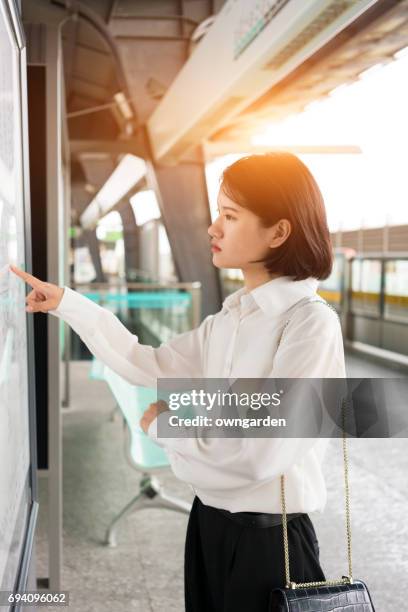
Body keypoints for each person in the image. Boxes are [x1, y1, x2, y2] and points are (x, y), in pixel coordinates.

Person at [10, 152, 346, 612]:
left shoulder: (310, 324)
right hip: (207, 524)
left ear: (279, 231)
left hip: (271, 544)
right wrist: (67, 303)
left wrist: (163, 427)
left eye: (230, 216)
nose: (213, 228)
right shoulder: (229, 319)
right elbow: (143, 361)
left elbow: (259, 453)